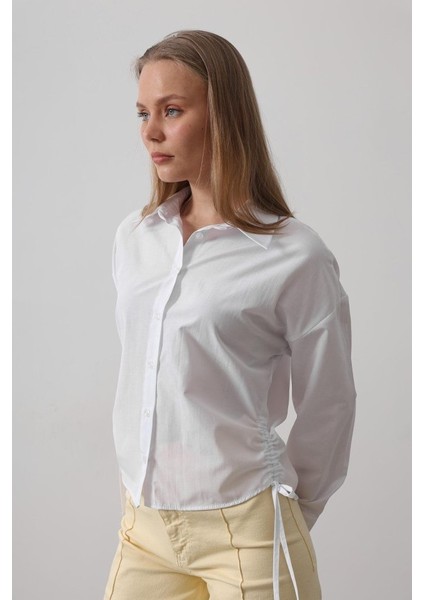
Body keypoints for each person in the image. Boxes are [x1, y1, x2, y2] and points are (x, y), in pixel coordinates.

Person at [104, 30, 357, 600]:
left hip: (249, 527)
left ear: (224, 115)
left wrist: (290, 512)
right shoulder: (135, 238)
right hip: (144, 525)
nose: (150, 131)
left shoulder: (295, 256)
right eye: (143, 112)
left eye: (172, 111)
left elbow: (330, 401)